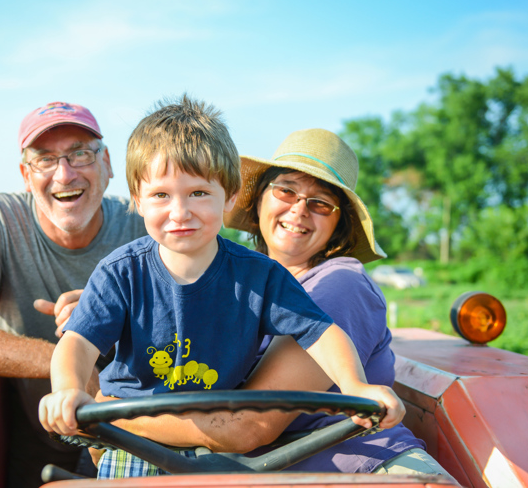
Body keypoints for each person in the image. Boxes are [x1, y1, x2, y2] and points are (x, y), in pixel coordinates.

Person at [37, 97, 406, 479]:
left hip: (221, 446)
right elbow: (78, 342)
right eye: (161, 195)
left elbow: (321, 332)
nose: (180, 212)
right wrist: (67, 390)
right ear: (138, 200)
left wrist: (355, 386)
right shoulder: (120, 273)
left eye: (198, 193)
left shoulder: (263, 277)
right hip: (135, 439)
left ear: (229, 196)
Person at [0, 101, 147, 487]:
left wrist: (107, 312)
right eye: (45, 159)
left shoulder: (144, 224)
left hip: (137, 446)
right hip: (30, 449)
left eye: (80, 154)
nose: (64, 173)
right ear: (25, 174)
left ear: (107, 166)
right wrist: (68, 362)